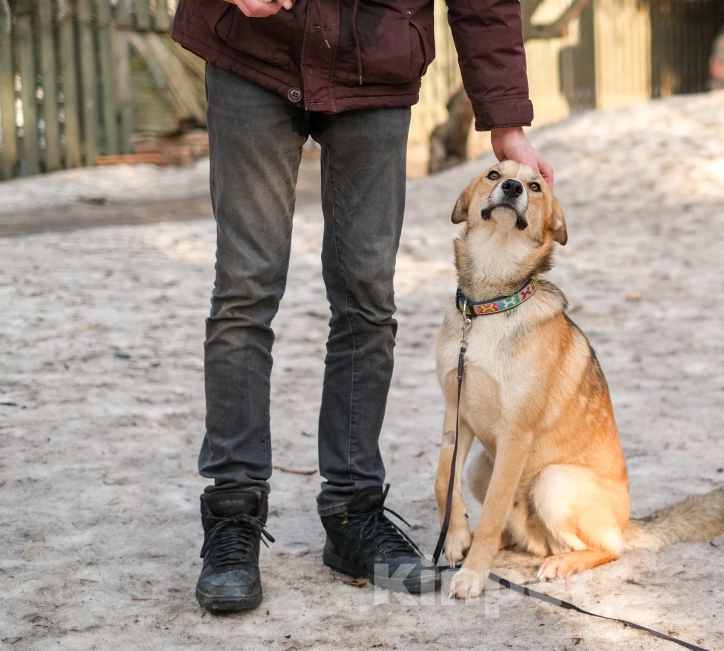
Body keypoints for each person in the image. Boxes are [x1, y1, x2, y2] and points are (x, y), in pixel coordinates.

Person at [171, 0, 553, 612]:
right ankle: (233, 514)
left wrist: (505, 116)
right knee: (245, 290)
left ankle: (353, 513)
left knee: (367, 299)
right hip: (254, 51)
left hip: (374, 65)